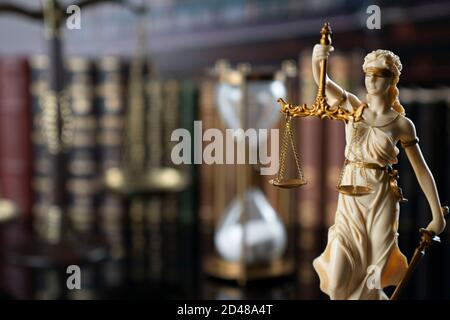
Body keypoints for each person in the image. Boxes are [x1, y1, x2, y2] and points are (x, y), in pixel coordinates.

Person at [311, 44, 447, 300]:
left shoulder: (401, 124)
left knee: (374, 274)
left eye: (379, 74)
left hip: (381, 197)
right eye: (368, 73)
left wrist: (437, 215)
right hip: (351, 197)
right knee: (339, 280)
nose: (372, 79)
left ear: (392, 80)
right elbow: (323, 82)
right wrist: (317, 58)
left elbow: (422, 171)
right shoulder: (353, 107)